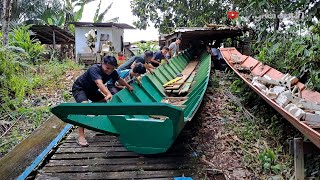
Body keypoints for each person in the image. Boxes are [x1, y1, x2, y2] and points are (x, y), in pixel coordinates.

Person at [71, 56, 134, 147]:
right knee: (84, 108)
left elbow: (119, 79)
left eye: (112, 69)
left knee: (104, 103)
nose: (109, 71)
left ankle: (92, 112)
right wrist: (108, 93)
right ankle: (80, 136)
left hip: (92, 91)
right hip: (80, 88)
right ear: (102, 64)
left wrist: (128, 87)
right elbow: (99, 83)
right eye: (107, 68)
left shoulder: (112, 72)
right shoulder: (94, 69)